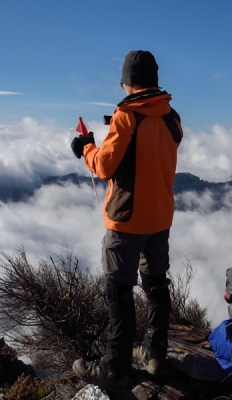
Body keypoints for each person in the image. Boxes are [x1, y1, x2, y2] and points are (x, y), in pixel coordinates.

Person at [69, 50, 183, 388]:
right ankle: (154, 354)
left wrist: (85, 149)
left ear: (128, 82)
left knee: (118, 292)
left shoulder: (126, 116)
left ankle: (115, 367)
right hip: (160, 217)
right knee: (157, 286)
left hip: (126, 219)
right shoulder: (171, 117)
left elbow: (105, 166)